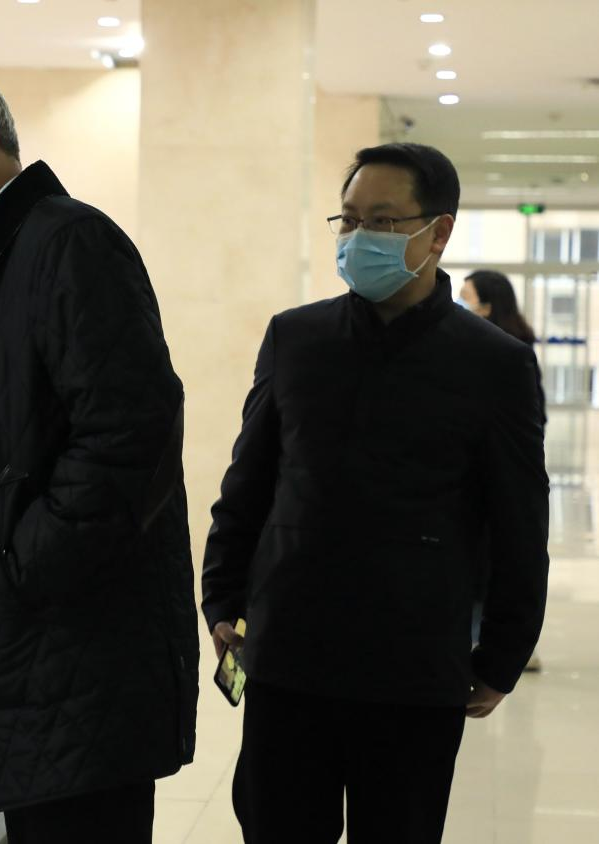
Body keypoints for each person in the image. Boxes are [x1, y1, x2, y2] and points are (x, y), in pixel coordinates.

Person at [0, 60, 199, 843]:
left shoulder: (67, 242)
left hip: (79, 651)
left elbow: (131, 432)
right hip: (34, 653)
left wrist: (22, 564)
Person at [202, 143, 549, 844]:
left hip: (413, 669)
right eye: (350, 219)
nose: (360, 237)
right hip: (289, 655)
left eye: (384, 221)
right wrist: (221, 598)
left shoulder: (494, 364)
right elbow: (249, 483)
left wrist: (503, 655)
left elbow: (519, 522)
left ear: (438, 232)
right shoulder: (297, 338)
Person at [461, 269, 544, 671]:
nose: (460, 304)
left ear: (488, 306)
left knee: (492, 564)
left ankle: (492, 644)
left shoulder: (507, 354)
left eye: (467, 297)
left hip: (495, 482)